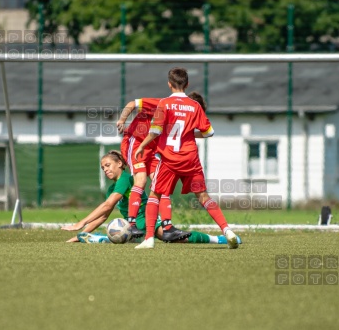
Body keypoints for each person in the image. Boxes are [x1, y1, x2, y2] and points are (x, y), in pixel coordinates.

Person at [134, 67, 239, 249]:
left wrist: (142, 145)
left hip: (169, 159)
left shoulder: (164, 104)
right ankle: (227, 230)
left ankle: (149, 238)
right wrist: (189, 134)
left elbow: (156, 130)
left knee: (155, 194)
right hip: (190, 159)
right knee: (203, 196)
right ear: (187, 84)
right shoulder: (195, 105)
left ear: (169, 84)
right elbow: (209, 132)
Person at [61, 150, 230, 245]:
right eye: (102, 168)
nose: (105, 169)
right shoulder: (112, 188)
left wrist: (81, 222)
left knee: (173, 237)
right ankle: (101, 238)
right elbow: (103, 216)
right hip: (134, 225)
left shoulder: (126, 178)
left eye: (107, 165)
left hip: (146, 218)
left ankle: (217, 239)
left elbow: (107, 206)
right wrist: (79, 236)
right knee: (128, 238)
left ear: (119, 163)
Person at [115, 92, 210, 241]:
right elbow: (132, 104)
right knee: (141, 181)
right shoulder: (163, 103)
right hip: (137, 142)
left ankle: (168, 228)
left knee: (161, 185)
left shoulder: (180, 114)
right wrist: (122, 120)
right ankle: (132, 223)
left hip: (153, 149)